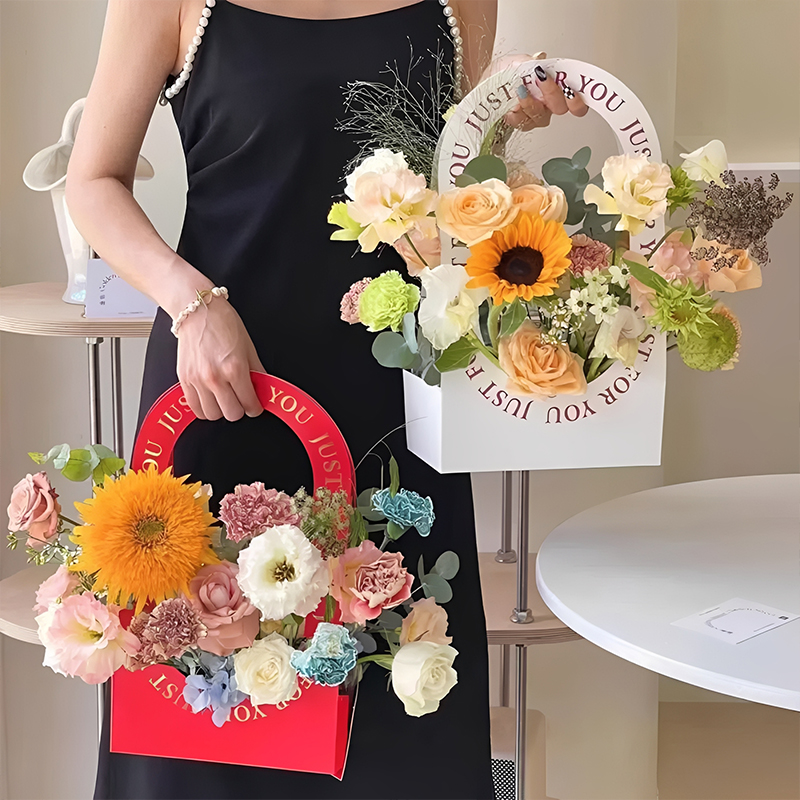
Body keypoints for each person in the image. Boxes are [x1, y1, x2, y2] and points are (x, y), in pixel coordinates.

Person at [66, 1, 585, 797]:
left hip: (395, 391)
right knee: (203, 721)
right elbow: (92, 181)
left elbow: (446, 184)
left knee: (400, 709)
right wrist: (190, 304)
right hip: (222, 381)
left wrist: (499, 112)